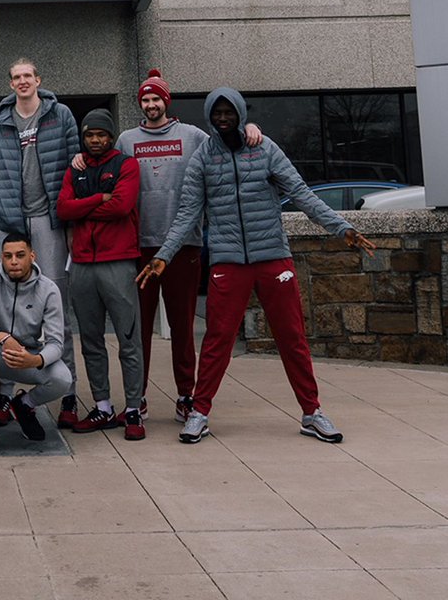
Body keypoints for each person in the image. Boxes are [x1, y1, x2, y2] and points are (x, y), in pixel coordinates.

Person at [138, 87, 376, 445]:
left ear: (239, 113)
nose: (223, 118)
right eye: (216, 113)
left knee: (292, 338)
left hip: (273, 259)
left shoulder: (264, 148)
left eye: (228, 112)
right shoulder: (202, 157)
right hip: (228, 262)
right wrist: (163, 256)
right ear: (209, 116)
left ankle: (312, 412)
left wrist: (341, 227)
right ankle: (199, 412)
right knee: (217, 340)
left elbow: (301, 193)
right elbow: (188, 213)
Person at [113, 68, 260, 423]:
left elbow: (229, 140)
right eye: (145, 99)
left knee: (182, 327)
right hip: (140, 249)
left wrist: (251, 129)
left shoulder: (193, 136)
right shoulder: (126, 140)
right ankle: (138, 397)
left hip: (184, 247)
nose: (150, 104)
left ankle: (185, 395)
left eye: (155, 99)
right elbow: (107, 169)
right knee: (138, 329)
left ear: (166, 101)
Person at [0, 57, 80, 427]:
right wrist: (1, 204)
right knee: (5, 311)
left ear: (38, 80)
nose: (22, 82)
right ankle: (7, 396)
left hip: (49, 221)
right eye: (16, 77)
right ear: (10, 84)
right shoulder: (0, 119)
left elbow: (76, 163)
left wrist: (64, 205)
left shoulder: (61, 115)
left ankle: (67, 394)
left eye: (28, 76)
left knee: (56, 309)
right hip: (10, 222)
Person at [57, 109, 145, 440]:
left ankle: (134, 408)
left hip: (118, 261)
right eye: (89, 135)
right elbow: (62, 209)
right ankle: (103, 406)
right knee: (91, 340)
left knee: (127, 339)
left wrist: (84, 209)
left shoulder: (126, 165)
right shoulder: (75, 168)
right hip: (80, 264)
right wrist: (97, 199)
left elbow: (122, 206)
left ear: (111, 136)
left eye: (101, 135)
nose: (95, 140)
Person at [0, 230, 72, 457]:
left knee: (63, 378)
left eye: (20, 255)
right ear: (1, 257)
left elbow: (56, 343)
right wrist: (3, 337)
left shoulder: (49, 289)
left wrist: (36, 359)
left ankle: (24, 404)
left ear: (32, 256)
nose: (13, 262)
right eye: (7, 256)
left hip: (27, 357)